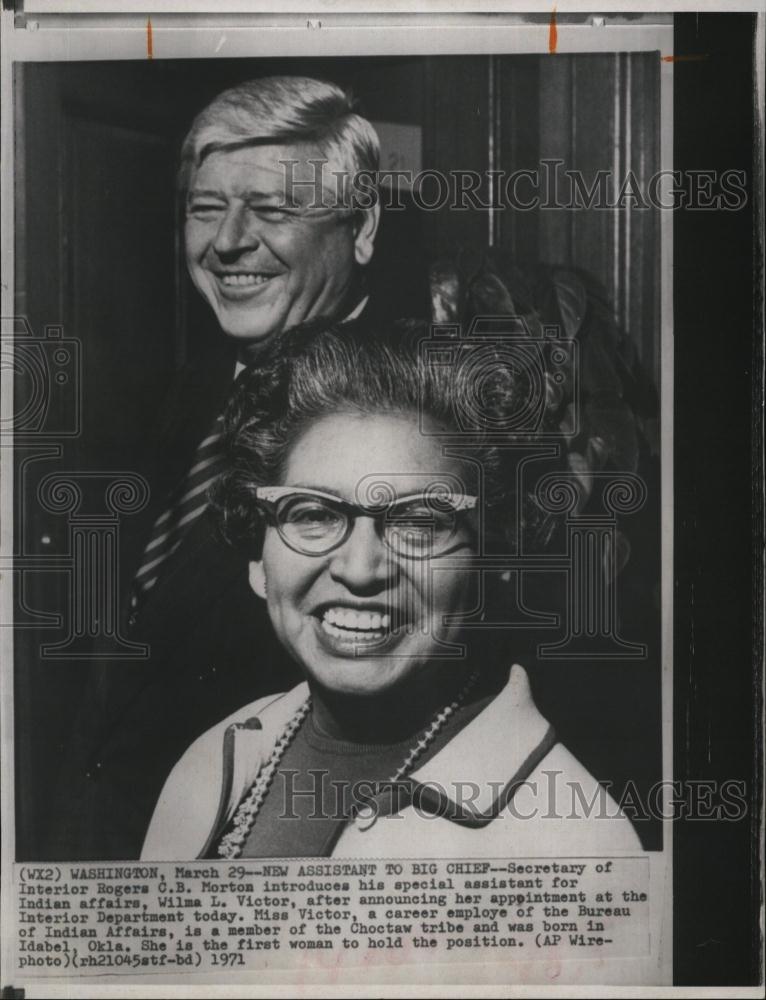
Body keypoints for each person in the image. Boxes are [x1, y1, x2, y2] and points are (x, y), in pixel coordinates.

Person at [56, 76, 416, 861]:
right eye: (206, 207)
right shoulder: (194, 387)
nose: (227, 242)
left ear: (360, 228)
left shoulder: (402, 417)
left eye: (274, 210)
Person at [142, 320, 642, 860]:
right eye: (313, 513)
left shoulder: (578, 840)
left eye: (419, 523)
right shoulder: (211, 764)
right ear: (257, 559)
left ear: (493, 555)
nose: (360, 570)